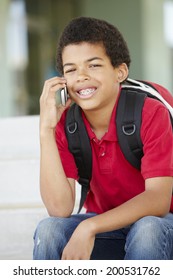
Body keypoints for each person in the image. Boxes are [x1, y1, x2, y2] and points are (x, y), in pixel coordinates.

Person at [33, 17, 173, 260]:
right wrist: (46, 129)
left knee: (147, 230)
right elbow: (59, 209)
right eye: (71, 69)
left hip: (160, 229)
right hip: (108, 230)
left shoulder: (149, 112)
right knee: (49, 229)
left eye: (94, 65)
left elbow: (158, 200)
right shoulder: (66, 123)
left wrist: (89, 227)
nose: (82, 76)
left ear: (120, 72)